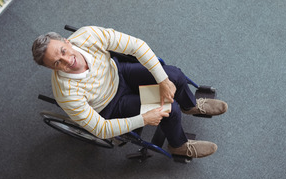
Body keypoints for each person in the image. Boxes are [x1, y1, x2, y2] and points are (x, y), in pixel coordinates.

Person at [32, 26, 228, 159]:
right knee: (168, 109)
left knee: (173, 75)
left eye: (63, 51)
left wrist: (163, 80)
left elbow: (136, 46)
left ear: (67, 42)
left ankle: (191, 105)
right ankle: (178, 146)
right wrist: (145, 119)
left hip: (119, 73)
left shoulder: (87, 35)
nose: (67, 61)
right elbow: (100, 129)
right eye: (57, 63)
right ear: (52, 69)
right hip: (112, 103)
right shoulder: (66, 94)